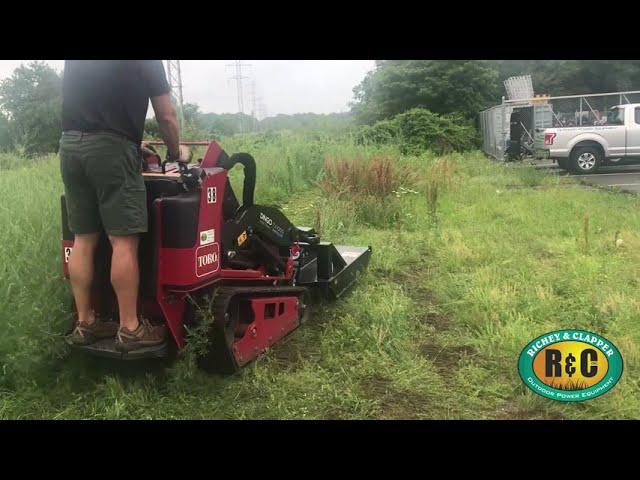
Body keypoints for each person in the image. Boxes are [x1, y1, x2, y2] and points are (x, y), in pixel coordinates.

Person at [60, 60, 191, 352]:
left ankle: (86, 322)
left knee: (83, 237)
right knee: (123, 241)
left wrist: (133, 141)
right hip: (111, 151)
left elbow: (95, 103)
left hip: (70, 147)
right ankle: (130, 328)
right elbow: (167, 117)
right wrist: (175, 153)